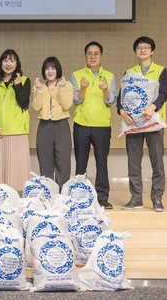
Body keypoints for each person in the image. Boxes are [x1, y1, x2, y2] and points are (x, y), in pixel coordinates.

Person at [118, 36, 167, 212]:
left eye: (146, 47)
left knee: (157, 162)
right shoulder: (129, 72)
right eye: (139, 47)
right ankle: (136, 198)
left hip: (152, 122)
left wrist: (153, 107)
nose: (143, 50)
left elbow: (163, 94)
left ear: (152, 51)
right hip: (133, 123)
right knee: (133, 163)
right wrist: (120, 110)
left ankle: (157, 199)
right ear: (135, 51)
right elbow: (121, 97)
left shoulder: (161, 70)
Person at [71, 41, 117, 209]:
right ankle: (79, 196)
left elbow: (111, 100)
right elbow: (76, 99)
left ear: (101, 56)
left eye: (96, 53)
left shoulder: (110, 76)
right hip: (81, 124)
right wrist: (82, 88)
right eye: (89, 53)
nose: (92, 56)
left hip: (102, 126)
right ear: (85, 56)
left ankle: (102, 197)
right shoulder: (76, 75)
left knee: (101, 162)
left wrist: (105, 90)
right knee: (80, 162)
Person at [0, 49, 32, 191]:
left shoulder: (24, 80)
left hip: (18, 132)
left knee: (17, 170)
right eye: (5, 60)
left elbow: (24, 103)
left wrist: (18, 86)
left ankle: (18, 199)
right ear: (0, 63)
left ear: (17, 64)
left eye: (12, 60)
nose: (8, 64)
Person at [31, 56, 74, 189]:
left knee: (63, 162)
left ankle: (62, 194)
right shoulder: (39, 86)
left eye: (53, 68)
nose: (50, 71)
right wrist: (38, 91)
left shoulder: (67, 85)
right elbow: (36, 107)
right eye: (47, 68)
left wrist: (61, 89)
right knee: (45, 162)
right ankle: (49, 192)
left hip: (62, 126)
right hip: (44, 127)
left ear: (58, 70)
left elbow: (67, 105)